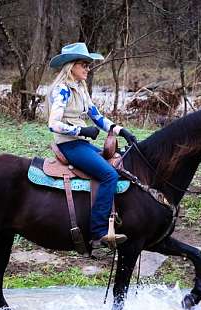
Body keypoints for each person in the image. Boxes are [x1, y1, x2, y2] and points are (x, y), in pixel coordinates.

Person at [46, 42, 137, 249]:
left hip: (81, 143)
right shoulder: (62, 90)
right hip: (70, 145)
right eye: (84, 64)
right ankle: (98, 232)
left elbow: (97, 117)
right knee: (109, 175)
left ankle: (117, 219)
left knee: (119, 163)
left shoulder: (80, 88)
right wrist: (81, 131)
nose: (88, 68)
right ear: (71, 66)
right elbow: (53, 124)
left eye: (88, 65)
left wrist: (121, 131)